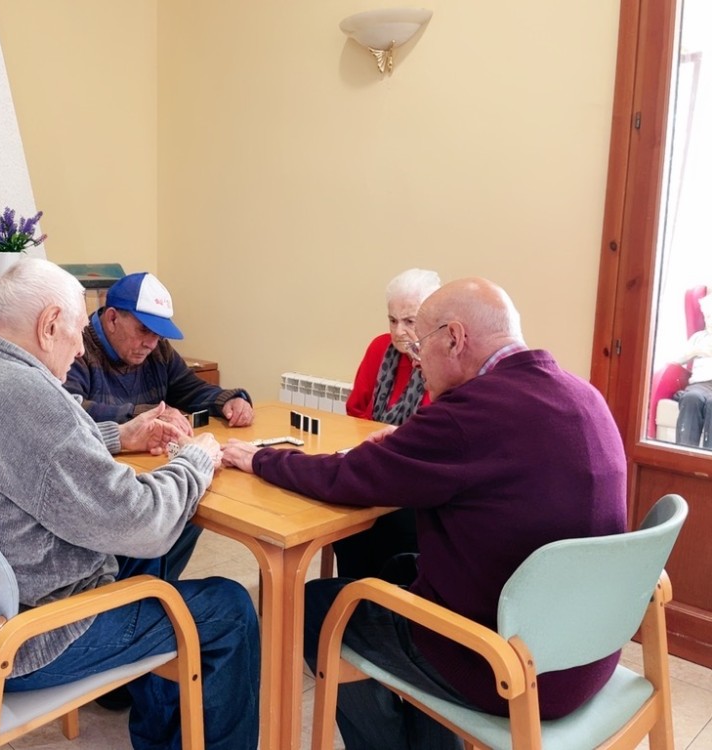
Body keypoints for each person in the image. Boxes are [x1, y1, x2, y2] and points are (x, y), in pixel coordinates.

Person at [222, 277, 627, 750]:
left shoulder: (466, 414)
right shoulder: (582, 394)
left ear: (454, 339)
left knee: (315, 608)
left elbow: (345, 478)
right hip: (588, 650)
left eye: (419, 344)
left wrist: (258, 458)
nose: (414, 358)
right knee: (396, 570)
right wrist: (403, 448)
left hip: (505, 664)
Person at [0, 258, 259, 750]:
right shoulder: (29, 395)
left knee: (152, 565)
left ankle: (153, 716)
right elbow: (144, 520)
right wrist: (196, 459)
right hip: (25, 639)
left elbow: (25, 454)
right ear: (48, 326)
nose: (77, 350)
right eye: (74, 333)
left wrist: (118, 434)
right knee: (229, 607)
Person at [64, 271, 255, 582]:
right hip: (100, 489)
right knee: (169, 512)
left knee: (191, 501)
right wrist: (144, 416)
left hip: (149, 473)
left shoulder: (158, 350)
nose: (151, 343)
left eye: (158, 335)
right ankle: (137, 593)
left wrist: (228, 400)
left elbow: (189, 389)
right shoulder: (76, 347)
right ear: (112, 319)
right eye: (143, 330)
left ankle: (155, 591)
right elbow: (68, 410)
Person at [336, 267, 441, 581]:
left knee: (394, 529)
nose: (398, 332)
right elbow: (356, 411)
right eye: (392, 320)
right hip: (374, 460)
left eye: (409, 322)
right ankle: (349, 594)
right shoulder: (379, 348)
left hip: (412, 474)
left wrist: (422, 359)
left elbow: (431, 429)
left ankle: (382, 603)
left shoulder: (439, 359)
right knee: (346, 522)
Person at [675, 293, 712, 448]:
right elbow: (678, 360)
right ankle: (684, 458)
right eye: (708, 317)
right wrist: (697, 350)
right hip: (699, 384)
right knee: (691, 398)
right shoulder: (699, 337)